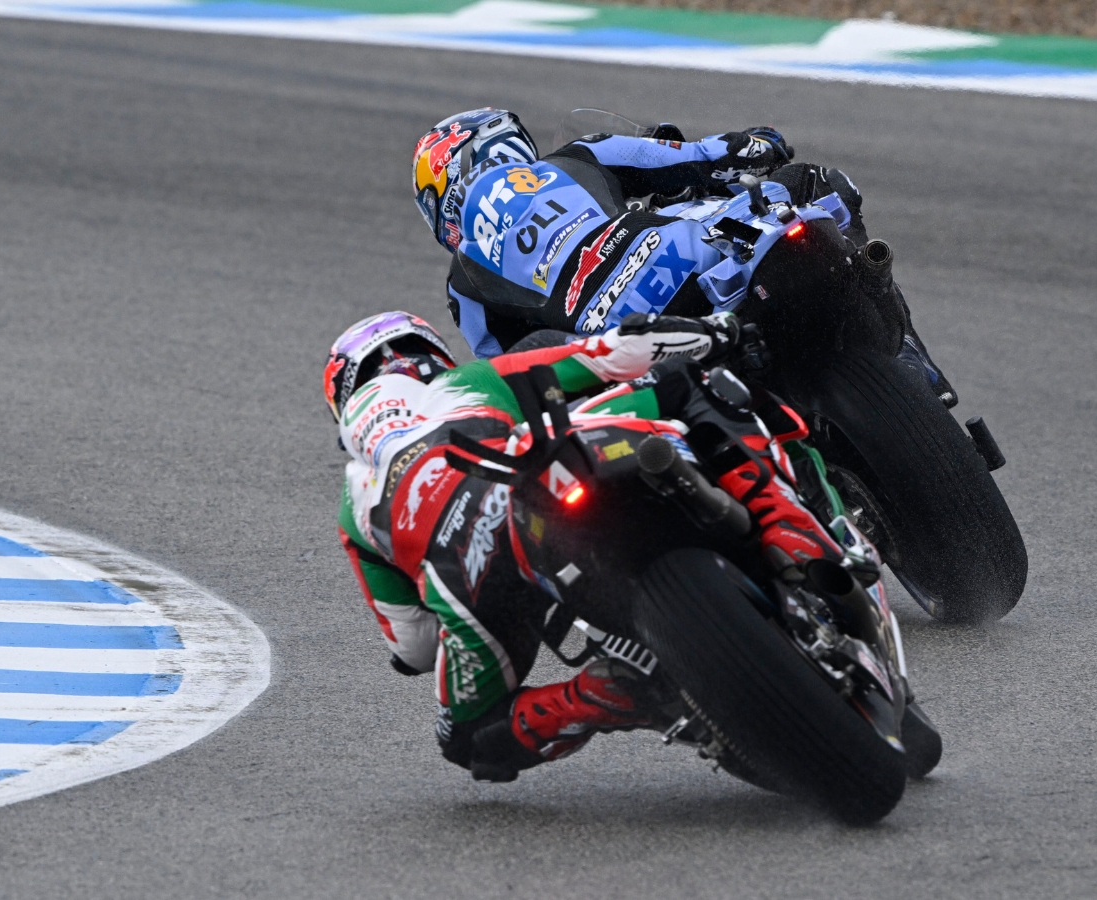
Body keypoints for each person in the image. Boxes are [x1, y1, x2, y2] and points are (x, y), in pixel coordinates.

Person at [329, 309, 861, 782]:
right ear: (433, 357)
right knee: (690, 382)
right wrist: (715, 333)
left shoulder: (355, 506)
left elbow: (416, 649)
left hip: (469, 580)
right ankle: (790, 531)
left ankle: (601, 696)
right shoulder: (463, 383)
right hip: (533, 487)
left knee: (466, 738)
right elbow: (614, 353)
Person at [410, 108, 957, 407]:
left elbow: (516, 378)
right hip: (693, 263)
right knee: (817, 184)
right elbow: (704, 156)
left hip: (629, 352)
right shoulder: (578, 156)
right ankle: (911, 362)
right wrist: (761, 142)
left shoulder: (464, 283)